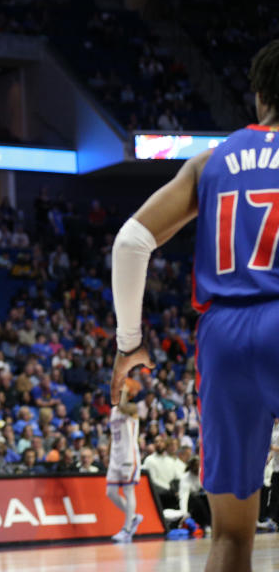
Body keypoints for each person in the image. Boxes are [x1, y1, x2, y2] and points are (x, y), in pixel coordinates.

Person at [110, 40, 279, 572]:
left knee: (229, 538)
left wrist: (129, 344)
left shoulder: (211, 161)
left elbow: (131, 243)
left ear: (257, 97)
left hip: (225, 334)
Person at [105, 388, 144, 543]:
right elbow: (112, 435)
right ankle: (133, 517)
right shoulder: (113, 411)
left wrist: (123, 387)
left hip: (129, 456)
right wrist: (108, 454)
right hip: (116, 457)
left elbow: (124, 407)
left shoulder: (132, 409)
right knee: (110, 493)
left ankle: (127, 529)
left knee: (128, 491)